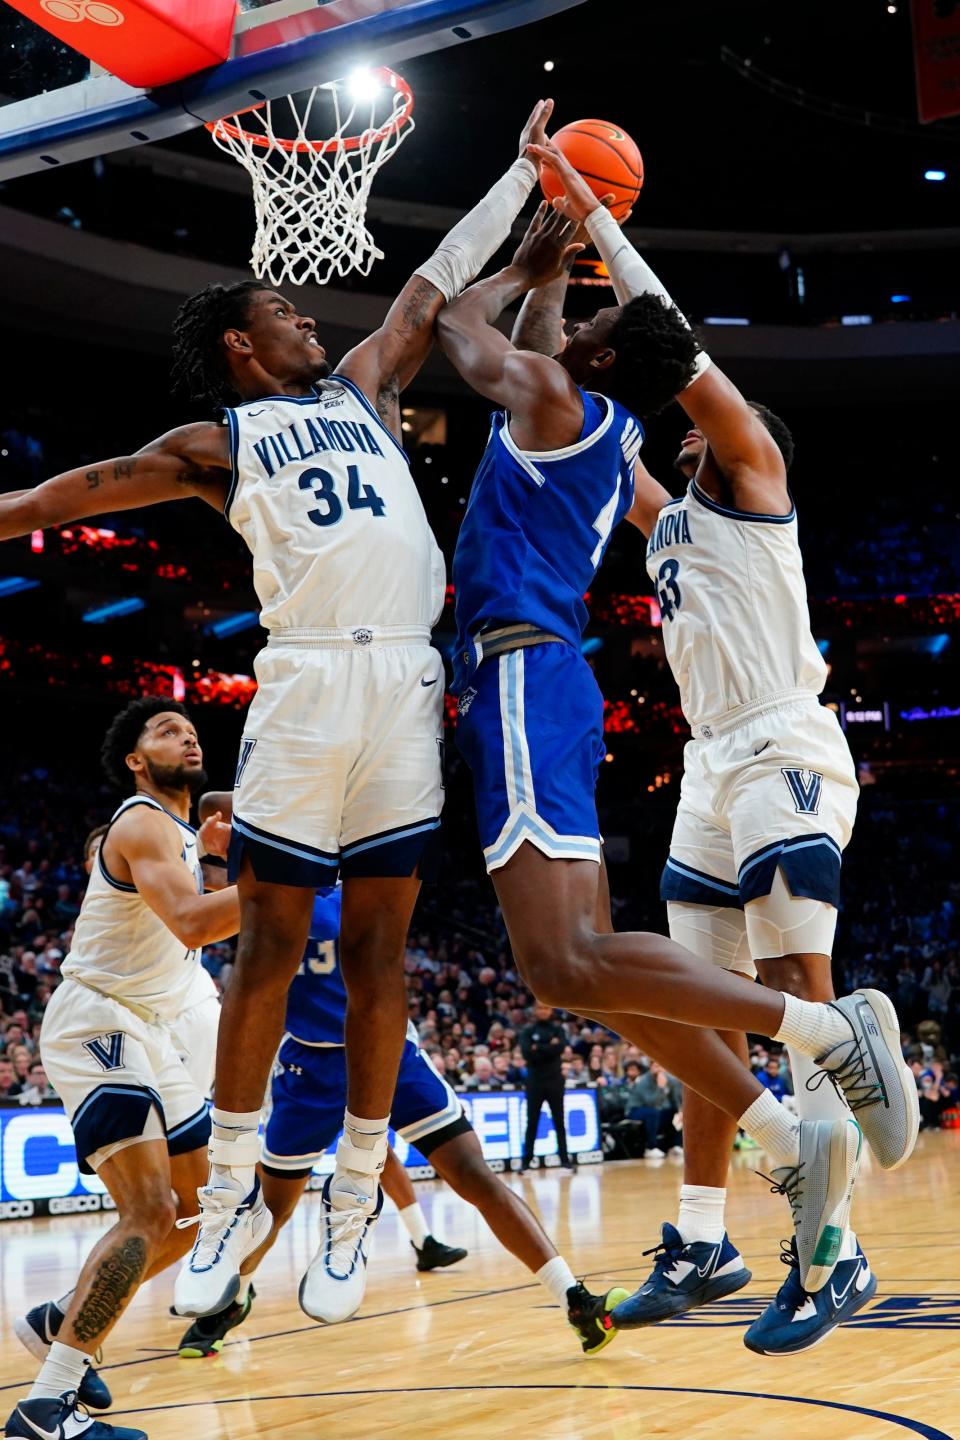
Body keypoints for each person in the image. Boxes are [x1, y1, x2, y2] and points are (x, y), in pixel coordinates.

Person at [0, 101, 560, 1329]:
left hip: (407, 681)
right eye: (285, 313)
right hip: (306, 679)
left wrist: (520, 185)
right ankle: (243, 1215)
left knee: (377, 953)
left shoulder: (363, 391)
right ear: (244, 348)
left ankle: (359, 1194)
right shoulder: (221, 437)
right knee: (264, 942)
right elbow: (51, 496)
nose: (311, 317)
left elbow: (423, 292)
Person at [433, 149, 919, 1318]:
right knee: (704, 994)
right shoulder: (662, 514)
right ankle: (706, 1235)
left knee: (799, 976)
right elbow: (579, 406)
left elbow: (676, 347)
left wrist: (593, 212)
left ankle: (831, 1244)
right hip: (707, 762)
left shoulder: (752, 477)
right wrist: (558, 285)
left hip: (785, 748)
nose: (688, 435)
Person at [177, 882, 629, 1357]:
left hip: (387, 1053)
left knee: (474, 1173)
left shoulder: (347, 880)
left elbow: (324, 918)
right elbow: (220, 821)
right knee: (272, 1206)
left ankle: (573, 1298)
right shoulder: (270, 874)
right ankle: (235, 1296)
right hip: (309, 1066)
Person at [6, 699, 239, 1440]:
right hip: (100, 1019)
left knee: (196, 1212)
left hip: (157, 1028)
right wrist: (297, 880)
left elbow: (202, 905)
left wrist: (213, 860)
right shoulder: (138, 819)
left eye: (191, 728)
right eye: (166, 730)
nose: (187, 734)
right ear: (138, 759)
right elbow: (199, 923)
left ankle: (56, 1320)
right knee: (148, 1211)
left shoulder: (176, 833)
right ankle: (45, 1407)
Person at [518, 1003, 574, 1170]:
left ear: (551, 1011)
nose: (543, 1012)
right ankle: (527, 1162)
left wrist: (539, 1048)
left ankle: (564, 1160)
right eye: (540, 1008)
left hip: (555, 1081)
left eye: (546, 1008)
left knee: (559, 1120)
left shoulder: (558, 1030)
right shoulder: (527, 1030)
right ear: (535, 1011)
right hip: (535, 1082)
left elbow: (561, 1048)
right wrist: (550, 1045)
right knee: (532, 1121)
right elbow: (527, 1052)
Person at [623, 1061, 683, 1158]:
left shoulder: (670, 1080)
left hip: (653, 1111)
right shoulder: (643, 1081)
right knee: (652, 1113)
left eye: (661, 1066)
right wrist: (661, 1088)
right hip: (634, 1110)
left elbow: (675, 1099)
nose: (658, 1069)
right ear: (650, 1067)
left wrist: (680, 1110)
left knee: (674, 1112)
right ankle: (651, 1147)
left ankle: (676, 1145)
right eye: (656, 1066)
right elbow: (651, 1103)